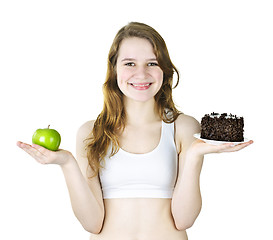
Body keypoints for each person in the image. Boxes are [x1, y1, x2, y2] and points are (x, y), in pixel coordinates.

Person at [17, 22, 253, 240]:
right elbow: (92, 223)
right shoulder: (91, 132)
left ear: (165, 69)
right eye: (130, 63)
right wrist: (66, 163)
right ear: (114, 69)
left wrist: (193, 155)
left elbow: (184, 220)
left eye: (152, 63)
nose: (141, 74)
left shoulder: (184, 128)